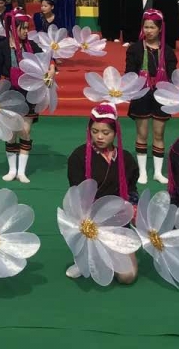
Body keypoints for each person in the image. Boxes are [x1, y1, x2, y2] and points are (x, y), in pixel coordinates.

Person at [65, 103, 139, 282]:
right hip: (90, 221)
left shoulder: (126, 158)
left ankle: (108, 256)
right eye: (95, 131)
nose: (99, 137)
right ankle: (86, 259)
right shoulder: (78, 156)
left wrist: (134, 208)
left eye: (106, 133)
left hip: (118, 221)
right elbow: (77, 194)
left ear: (115, 133)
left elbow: (131, 190)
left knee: (127, 277)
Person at [125, 9, 177, 185]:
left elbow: (173, 75)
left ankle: (157, 172)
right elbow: (129, 72)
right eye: (146, 27)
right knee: (142, 132)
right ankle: (142, 172)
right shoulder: (135, 49)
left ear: (160, 29)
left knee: (159, 133)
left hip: (161, 95)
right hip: (141, 93)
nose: (148, 31)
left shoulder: (168, 52)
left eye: (152, 27)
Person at [0, 12, 41, 183]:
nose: (25, 32)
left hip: (29, 93)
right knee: (10, 133)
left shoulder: (31, 46)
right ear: (12, 28)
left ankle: (22, 171)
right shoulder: (2, 47)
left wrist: (51, 71)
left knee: (25, 131)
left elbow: (48, 61)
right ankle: (12, 169)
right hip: (8, 94)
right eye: (22, 28)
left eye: (26, 28)